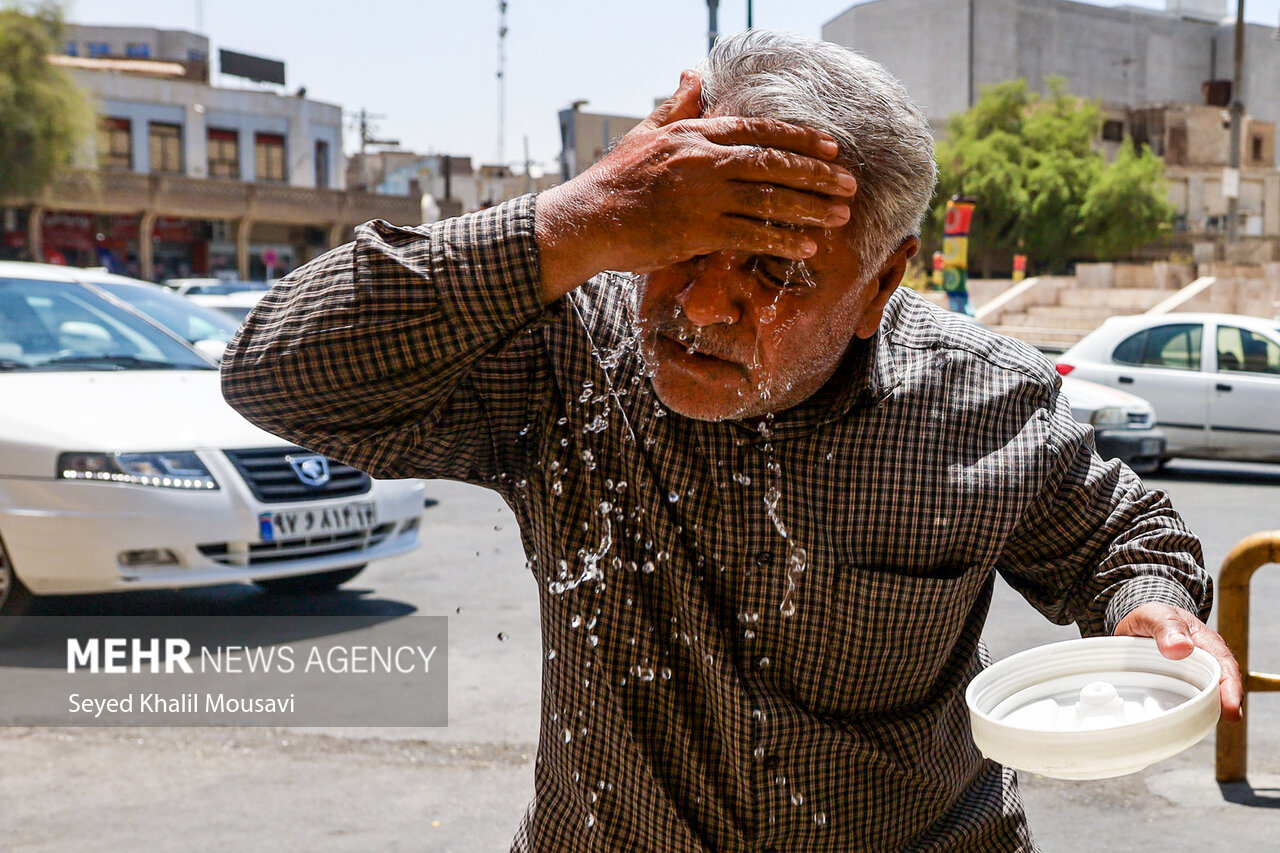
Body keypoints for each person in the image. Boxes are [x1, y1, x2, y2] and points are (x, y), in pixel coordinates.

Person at [222, 31, 1241, 853]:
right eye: (676, 246)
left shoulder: (980, 399)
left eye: (774, 271)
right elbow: (275, 372)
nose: (704, 305)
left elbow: (1115, 531)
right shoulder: (564, 358)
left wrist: (1150, 605)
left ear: (880, 284)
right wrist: (574, 219)